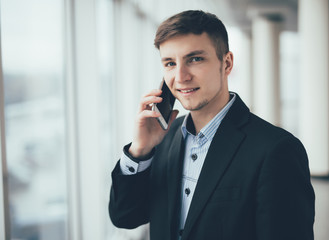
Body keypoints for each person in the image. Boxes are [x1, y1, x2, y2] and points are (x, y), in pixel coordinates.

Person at [109, 10, 315, 240]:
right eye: (169, 63)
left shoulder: (277, 150)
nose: (181, 76)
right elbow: (125, 217)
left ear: (226, 64)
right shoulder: (163, 137)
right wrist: (140, 150)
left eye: (195, 59)